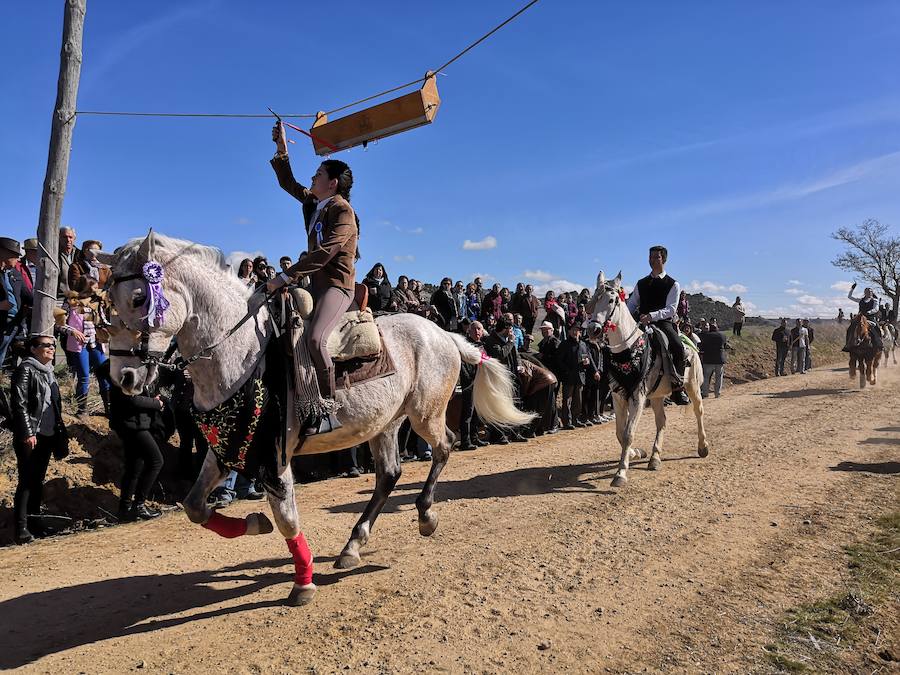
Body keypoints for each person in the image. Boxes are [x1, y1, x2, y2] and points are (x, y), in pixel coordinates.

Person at [269, 120, 359, 435]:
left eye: (318, 174)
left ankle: (328, 410)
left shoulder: (342, 211)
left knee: (316, 338)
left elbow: (326, 253)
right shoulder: (317, 205)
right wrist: (281, 149)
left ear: (333, 182)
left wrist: (284, 277)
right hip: (314, 285)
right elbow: (289, 183)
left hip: (337, 287)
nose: (313, 178)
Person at [10, 335, 69, 544]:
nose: (52, 348)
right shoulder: (26, 369)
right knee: (26, 481)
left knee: (37, 482)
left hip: (46, 435)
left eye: (53, 345)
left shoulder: (49, 373)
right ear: (33, 349)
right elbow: (19, 403)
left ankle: (35, 524)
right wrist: (27, 432)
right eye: (46, 345)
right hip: (31, 436)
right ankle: (21, 528)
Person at [626, 245, 690, 405]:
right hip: (641, 322)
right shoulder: (641, 283)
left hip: (663, 323)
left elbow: (670, 309)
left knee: (677, 347)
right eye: (650, 257)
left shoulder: (673, 284)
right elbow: (631, 304)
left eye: (656, 257)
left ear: (664, 259)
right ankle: (623, 384)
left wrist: (652, 316)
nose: (652, 260)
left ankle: (677, 388)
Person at [101, 360, 164, 521]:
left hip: (132, 423)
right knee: (156, 461)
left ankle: (125, 508)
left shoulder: (120, 368)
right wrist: (156, 403)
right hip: (133, 424)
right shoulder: (122, 370)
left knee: (134, 467)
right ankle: (139, 505)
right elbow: (132, 400)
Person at [58, 288, 111, 416]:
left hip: (96, 343)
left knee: (104, 374)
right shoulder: (69, 304)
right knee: (84, 376)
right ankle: (82, 410)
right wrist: (72, 331)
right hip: (79, 345)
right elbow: (58, 324)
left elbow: (103, 320)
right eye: (93, 285)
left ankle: (109, 408)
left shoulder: (95, 302)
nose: (96, 288)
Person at [482, 318, 526, 444]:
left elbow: (515, 354)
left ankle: (515, 432)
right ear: (505, 329)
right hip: (499, 378)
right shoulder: (492, 340)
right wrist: (510, 343)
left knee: (514, 405)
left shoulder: (508, 340)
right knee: (500, 407)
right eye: (510, 329)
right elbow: (500, 354)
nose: (511, 331)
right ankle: (500, 435)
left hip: (512, 375)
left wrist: (519, 364)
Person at [556, 323, 599, 429]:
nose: (575, 332)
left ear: (580, 332)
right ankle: (567, 422)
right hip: (568, 377)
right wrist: (567, 371)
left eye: (577, 330)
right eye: (573, 330)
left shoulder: (583, 344)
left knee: (578, 401)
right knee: (567, 401)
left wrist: (595, 371)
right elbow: (559, 361)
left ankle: (575, 420)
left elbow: (589, 359)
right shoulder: (564, 344)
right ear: (569, 332)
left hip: (580, 376)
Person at [0, 238, 33, 368]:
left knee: (3, 354)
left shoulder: (14, 273)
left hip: (13, 322)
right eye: (14, 256)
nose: (16, 261)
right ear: (3, 253)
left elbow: (27, 295)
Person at [846, 283, 883, 352]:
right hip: (860, 318)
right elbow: (850, 297)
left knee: (877, 328)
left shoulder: (875, 300)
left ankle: (879, 343)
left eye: (870, 292)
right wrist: (852, 289)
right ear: (864, 293)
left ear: (872, 293)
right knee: (850, 328)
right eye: (867, 292)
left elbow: (876, 309)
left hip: (870, 319)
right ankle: (848, 344)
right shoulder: (861, 300)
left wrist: (869, 312)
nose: (869, 293)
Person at [699, 321, 728, 398]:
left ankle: (705, 393)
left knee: (706, 377)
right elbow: (724, 345)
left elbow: (702, 347)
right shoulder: (723, 335)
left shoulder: (706, 336)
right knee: (719, 377)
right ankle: (717, 393)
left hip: (708, 359)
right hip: (719, 359)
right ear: (717, 328)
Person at [57, 226, 78, 302]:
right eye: (64, 237)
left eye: (70, 237)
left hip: (77, 299)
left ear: (74, 239)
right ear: (58, 238)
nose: (68, 240)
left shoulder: (80, 255)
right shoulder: (54, 255)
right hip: (59, 299)